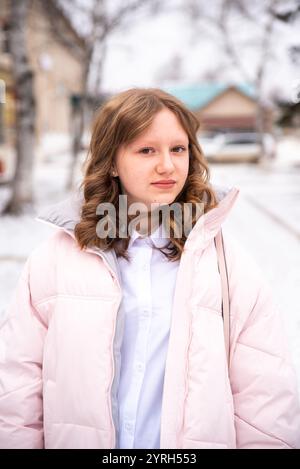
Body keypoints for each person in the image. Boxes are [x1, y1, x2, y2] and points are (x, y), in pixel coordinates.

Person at [0, 88, 300, 449]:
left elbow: (265, 399)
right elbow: (16, 391)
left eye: (178, 149)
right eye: (146, 150)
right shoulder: (54, 261)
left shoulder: (227, 266)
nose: (167, 166)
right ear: (112, 161)